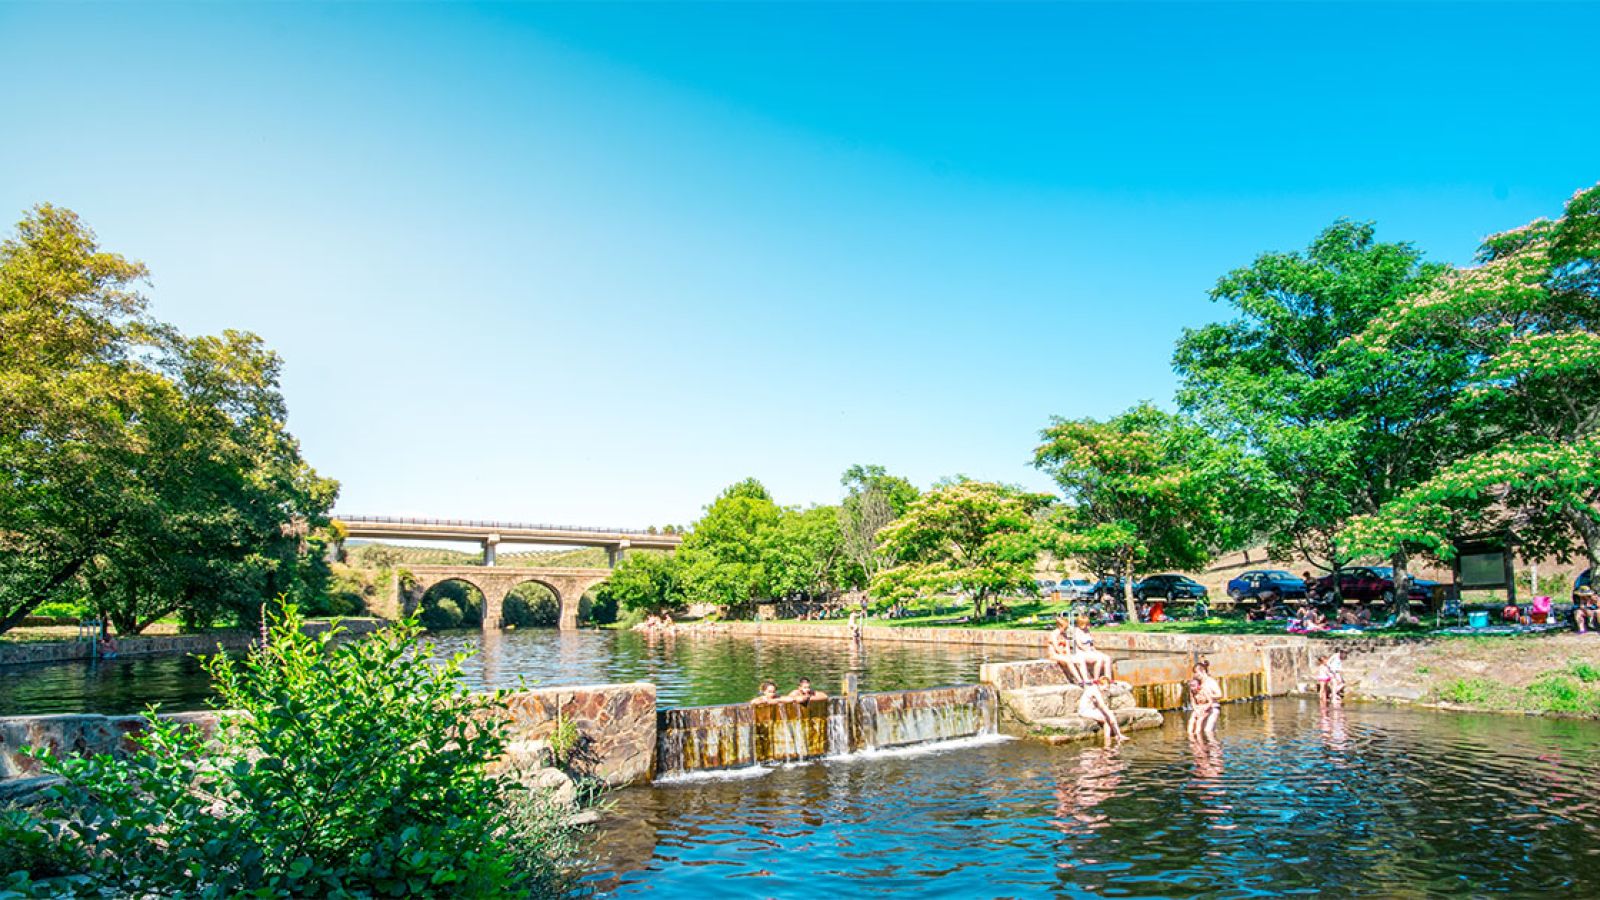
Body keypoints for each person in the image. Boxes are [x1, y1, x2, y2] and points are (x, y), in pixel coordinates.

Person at [1077, 676, 1125, 745]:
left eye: (1107, 688)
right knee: (1105, 719)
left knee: (1110, 714)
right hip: (1084, 710)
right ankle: (1107, 741)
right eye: (1106, 687)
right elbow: (1102, 705)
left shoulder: (1099, 689)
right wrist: (1108, 715)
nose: (1106, 689)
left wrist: (1110, 715)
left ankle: (1118, 735)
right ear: (1100, 684)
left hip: (1092, 709)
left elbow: (1101, 706)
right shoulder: (1094, 690)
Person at [1048, 615, 1092, 684]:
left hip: (1064, 654)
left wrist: (1069, 654)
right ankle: (1079, 680)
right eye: (1064, 628)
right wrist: (1065, 655)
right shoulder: (1054, 634)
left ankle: (1086, 679)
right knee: (1069, 660)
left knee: (1080, 660)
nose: (1066, 629)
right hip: (1055, 655)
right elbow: (1057, 648)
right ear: (1060, 626)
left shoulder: (1064, 634)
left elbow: (1068, 647)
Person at [1071, 615, 1114, 682]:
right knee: (1099, 659)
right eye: (1084, 624)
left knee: (1107, 658)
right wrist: (1089, 651)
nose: (1086, 626)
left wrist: (1094, 650)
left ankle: (1108, 678)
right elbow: (1079, 645)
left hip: (1090, 651)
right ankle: (1096, 679)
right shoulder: (1076, 632)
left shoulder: (1087, 630)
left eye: (1087, 624)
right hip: (1082, 652)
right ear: (1080, 623)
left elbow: (1091, 644)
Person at [1187, 659, 1221, 738]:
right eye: (1194, 672)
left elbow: (1219, 694)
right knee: (1200, 730)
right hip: (1201, 708)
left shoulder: (1211, 682)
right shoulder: (1198, 682)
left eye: (1196, 672)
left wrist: (1208, 696)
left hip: (1212, 708)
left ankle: (1214, 747)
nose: (1195, 674)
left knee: (1208, 731)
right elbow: (1193, 697)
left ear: (1203, 671)